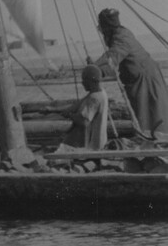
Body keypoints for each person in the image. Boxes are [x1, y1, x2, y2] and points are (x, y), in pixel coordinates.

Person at [98, 8, 165, 138]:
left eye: (102, 26)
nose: (101, 30)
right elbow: (113, 59)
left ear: (107, 26)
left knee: (152, 111)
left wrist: (95, 68)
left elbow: (114, 55)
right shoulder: (116, 35)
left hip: (145, 78)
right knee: (144, 111)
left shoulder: (121, 36)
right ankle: (151, 137)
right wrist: (97, 66)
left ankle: (157, 139)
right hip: (138, 78)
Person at [60, 64, 117, 151]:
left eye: (84, 81)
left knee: (62, 146)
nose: (83, 83)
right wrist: (57, 110)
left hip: (92, 145)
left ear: (92, 81)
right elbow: (79, 104)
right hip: (98, 141)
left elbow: (84, 121)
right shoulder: (99, 92)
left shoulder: (94, 98)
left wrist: (70, 115)